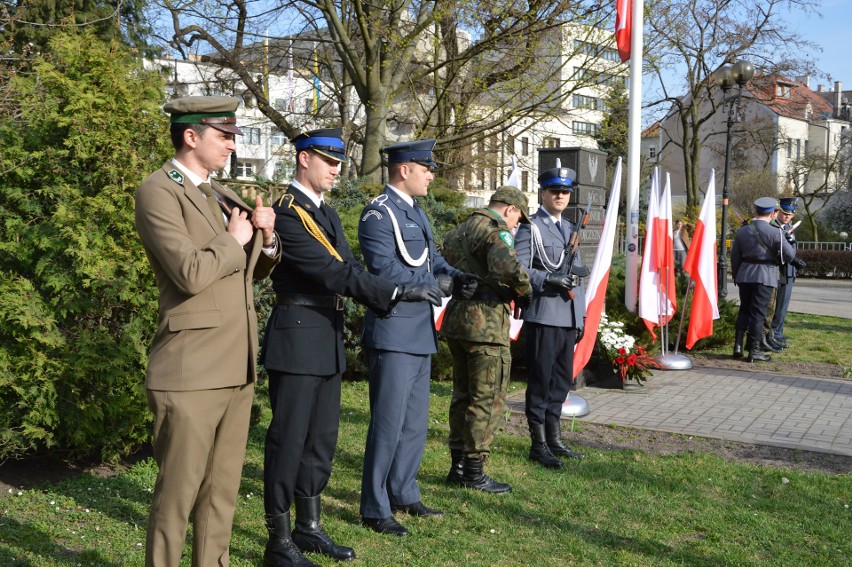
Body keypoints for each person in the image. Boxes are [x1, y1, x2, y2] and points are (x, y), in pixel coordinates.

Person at [260, 128, 443, 566]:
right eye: (328, 161)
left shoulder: (325, 213)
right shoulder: (289, 211)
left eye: (339, 162)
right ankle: (279, 540)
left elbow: (350, 265)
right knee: (289, 441)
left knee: (321, 441)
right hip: (298, 331)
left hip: (325, 332)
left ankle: (309, 528)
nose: (336, 169)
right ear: (303, 159)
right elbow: (331, 271)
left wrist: (392, 288)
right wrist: (397, 293)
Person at [134, 95, 281, 566]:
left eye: (233, 137)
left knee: (221, 495)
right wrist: (234, 239)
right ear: (191, 136)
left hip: (235, 365)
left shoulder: (221, 195)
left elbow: (247, 272)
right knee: (177, 498)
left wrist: (268, 236)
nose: (232, 147)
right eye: (224, 136)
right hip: (191, 368)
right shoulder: (159, 191)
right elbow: (191, 273)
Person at [357, 139, 477, 536]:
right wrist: (434, 281)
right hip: (393, 332)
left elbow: (432, 259)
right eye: (425, 168)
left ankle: (403, 490)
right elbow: (383, 269)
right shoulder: (378, 214)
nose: (430, 174)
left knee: (414, 424)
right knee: (388, 423)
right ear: (403, 169)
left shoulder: (416, 213)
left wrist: (457, 278)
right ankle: (374, 505)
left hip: (417, 332)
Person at [440, 186, 533, 494]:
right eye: (518, 217)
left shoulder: (460, 230)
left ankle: (457, 466)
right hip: (486, 323)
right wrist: (526, 292)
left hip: (457, 319)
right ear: (510, 209)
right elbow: (508, 268)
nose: (516, 225)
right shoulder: (497, 232)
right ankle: (474, 470)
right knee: (487, 397)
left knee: (462, 394)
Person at [515, 167, 587, 470]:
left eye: (565, 191)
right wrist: (548, 279)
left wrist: (579, 316)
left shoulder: (569, 227)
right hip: (544, 315)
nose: (560, 195)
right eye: (554, 190)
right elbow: (518, 268)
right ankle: (538, 443)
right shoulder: (530, 227)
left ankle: (555, 439)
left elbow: (578, 274)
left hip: (567, 317)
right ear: (543, 193)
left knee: (560, 382)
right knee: (541, 381)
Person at [730, 197, 796, 362]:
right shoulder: (775, 232)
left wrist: (737, 274)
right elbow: (790, 255)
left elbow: (734, 256)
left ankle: (737, 346)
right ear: (773, 213)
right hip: (765, 276)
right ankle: (754, 350)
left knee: (744, 310)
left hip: (744, 274)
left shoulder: (743, 231)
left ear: (755, 211)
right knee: (759, 315)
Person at [770, 197, 805, 344]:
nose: (787, 217)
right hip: (778, 271)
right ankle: (772, 333)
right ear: (777, 212)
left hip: (789, 272)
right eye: (784, 213)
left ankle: (779, 331)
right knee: (774, 306)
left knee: (783, 305)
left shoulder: (789, 226)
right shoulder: (772, 226)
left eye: (790, 214)